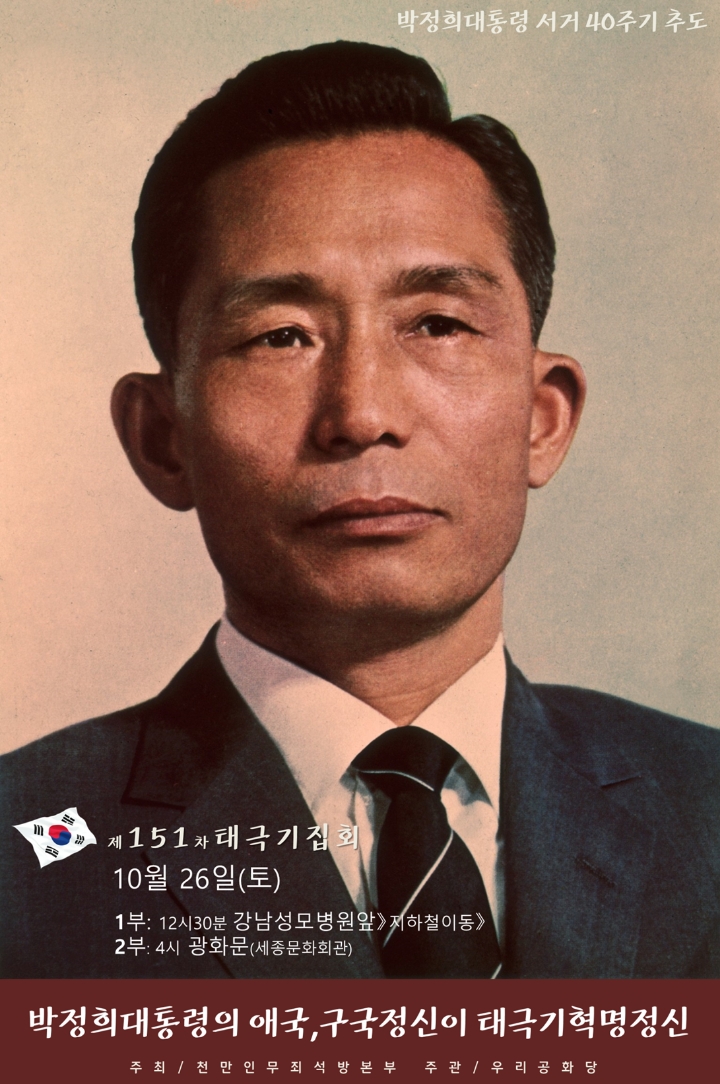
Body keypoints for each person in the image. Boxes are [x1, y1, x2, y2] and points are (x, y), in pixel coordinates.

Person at [2, 41, 718, 980]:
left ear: (544, 420)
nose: (363, 413)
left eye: (438, 324)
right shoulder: (25, 857)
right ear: (162, 437)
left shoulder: (704, 807)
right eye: (280, 336)